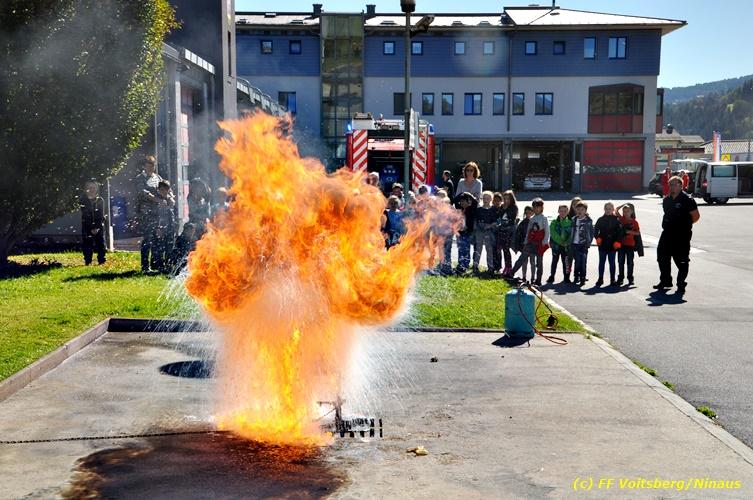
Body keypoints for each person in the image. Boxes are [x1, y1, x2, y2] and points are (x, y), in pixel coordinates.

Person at [656, 176, 700, 293]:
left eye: (675, 185)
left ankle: (681, 283)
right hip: (667, 233)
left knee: (681, 260)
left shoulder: (688, 200)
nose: (672, 187)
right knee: (662, 257)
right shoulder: (666, 200)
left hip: (682, 235)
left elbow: (696, 217)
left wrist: (684, 225)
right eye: (670, 185)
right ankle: (665, 281)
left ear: (681, 186)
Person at [136, 155, 163, 273]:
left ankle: (155, 264)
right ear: (144, 166)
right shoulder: (140, 178)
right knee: (148, 239)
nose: (151, 168)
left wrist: (170, 196)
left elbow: (165, 188)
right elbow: (143, 192)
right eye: (149, 165)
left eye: (153, 165)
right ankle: (145, 266)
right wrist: (156, 199)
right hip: (146, 214)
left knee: (157, 239)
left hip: (158, 213)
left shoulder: (158, 177)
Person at [593, 202, 623, 287]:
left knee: (612, 263)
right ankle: (600, 278)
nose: (608, 210)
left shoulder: (617, 220)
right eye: (606, 208)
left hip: (613, 245)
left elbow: (620, 232)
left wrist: (618, 241)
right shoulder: (600, 219)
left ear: (613, 209)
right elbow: (595, 230)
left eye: (610, 209)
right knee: (601, 262)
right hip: (602, 244)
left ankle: (612, 279)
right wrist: (597, 237)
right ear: (604, 209)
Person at [79, 179, 107, 266]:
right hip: (87, 224)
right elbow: (86, 214)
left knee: (100, 243)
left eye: (94, 187)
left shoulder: (100, 200)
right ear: (86, 188)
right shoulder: (83, 200)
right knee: (87, 243)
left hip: (99, 225)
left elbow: (101, 214)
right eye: (90, 187)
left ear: (97, 188)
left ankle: (101, 260)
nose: (92, 189)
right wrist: (91, 227)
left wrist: (97, 227)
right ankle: (88, 261)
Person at [615, 203, 641, 286]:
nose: (626, 213)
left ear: (632, 212)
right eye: (624, 211)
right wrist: (623, 204)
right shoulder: (621, 219)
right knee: (620, 262)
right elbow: (616, 210)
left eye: (628, 211)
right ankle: (620, 278)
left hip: (630, 245)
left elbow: (637, 233)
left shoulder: (634, 222)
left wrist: (629, 231)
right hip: (621, 245)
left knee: (630, 263)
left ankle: (630, 278)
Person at [153, 180, 176, 273]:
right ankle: (159, 266)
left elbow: (173, 213)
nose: (164, 191)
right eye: (162, 189)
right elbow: (156, 215)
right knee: (159, 247)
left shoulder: (170, 199)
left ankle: (168, 265)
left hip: (170, 226)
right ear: (158, 189)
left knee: (169, 247)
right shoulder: (156, 200)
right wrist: (158, 228)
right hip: (160, 226)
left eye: (166, 189)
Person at [506, 206, 533, 281]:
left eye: (529, 213)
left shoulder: (533, 221)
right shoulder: (523, 222)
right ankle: (523, 276)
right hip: (524, 245)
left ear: (532, 213)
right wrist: (517, 246)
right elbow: (518, 235)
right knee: (523, 261)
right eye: (526, 213)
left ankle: (533, 278)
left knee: (532, 262)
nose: (528, 214)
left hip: (533, 245)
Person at [454, 192, 478, 275]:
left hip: (467, 233)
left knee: (466, 249)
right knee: (460, 249)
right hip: (460, 232)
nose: (462, 203)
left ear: (468, 202)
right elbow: (455, 200)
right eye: (461, 201)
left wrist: (469, 195)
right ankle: (460, 264)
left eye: (464, 201)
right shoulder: (459, 208)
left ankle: (465, 265)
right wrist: (462, 193)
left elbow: (475, 202)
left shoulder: (471, 209)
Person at [473, 191, 497, 276]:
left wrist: (490, 226)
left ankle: (490, 267)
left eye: (488, 198)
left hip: (488, 230)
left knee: (489, 250)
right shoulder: (479, 209)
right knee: (478, 249)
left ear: (491, 199)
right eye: (484, 198)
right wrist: (475, 229)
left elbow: (495, 221)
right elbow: (475, 220)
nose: (486, 200)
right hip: (479, 230)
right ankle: (475, 266)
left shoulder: (493, 209)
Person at [495, 190, 518, 276]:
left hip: (508, 231)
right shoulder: (502, 206)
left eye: (508, 199)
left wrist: (505, 210)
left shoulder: (513, 207)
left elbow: (511, 220)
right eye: (504, 199)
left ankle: (509, 267)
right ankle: (503, 267)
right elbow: (498, 217)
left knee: (506, 249)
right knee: (501, 249)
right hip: (501, 231)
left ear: (511, 199)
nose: (506, 200)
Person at [570, 202, 594, 287]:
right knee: (577, 261)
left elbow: (591, 232)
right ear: (576, 210)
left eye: (582, 209)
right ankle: (576, 276)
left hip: (584, 244)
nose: (580, 211)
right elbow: (571, 231)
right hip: (575, 243)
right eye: (578, 209)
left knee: (583, 261)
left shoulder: (588, 220)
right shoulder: (574, 219)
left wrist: (589, 242)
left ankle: (583, 277)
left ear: (585, 211)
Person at [548, 204, 572, 283]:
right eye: (561, 211)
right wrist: (560, 242)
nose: (563, 213)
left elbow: (571, 234)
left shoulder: (570, 222)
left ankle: (566, 277)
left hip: (566, 246)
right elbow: (553, 233)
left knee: (566, 262)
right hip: (556, 246)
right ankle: (552, 276)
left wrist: (567, 242)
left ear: (567, 212)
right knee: (554, 261)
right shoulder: (554, 222)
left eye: (565, 211)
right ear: (558, 211)